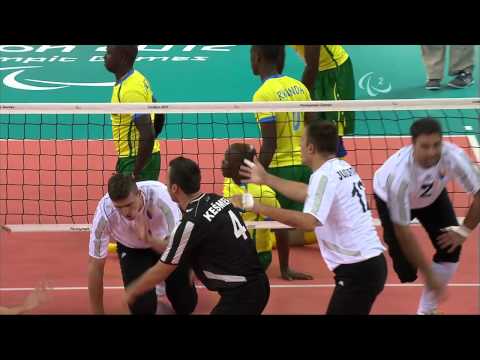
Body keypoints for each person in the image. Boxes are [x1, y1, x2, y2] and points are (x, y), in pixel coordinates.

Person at [236, 121, 387, 315]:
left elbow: (308, 222)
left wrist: (256, 206)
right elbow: (308, 192)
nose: (299, 146)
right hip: (368, 264)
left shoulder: (324, 176)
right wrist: (266, 178)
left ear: (311, 148)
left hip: (358, 270)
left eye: (301, 141)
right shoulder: (342, 168)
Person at [124, 157, 270, 315]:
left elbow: (162, 269)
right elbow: (187, 245)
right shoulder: (219, 200)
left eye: (167, 183)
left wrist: (132, 291)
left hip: (243, 294)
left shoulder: (191, 223)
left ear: (174, 188)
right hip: (256, 284)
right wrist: (150, 240)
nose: (165, 186)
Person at [373, 117, 480, 314]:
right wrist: (429, 275)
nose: (432, 152)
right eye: (425, 146)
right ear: (413, 145)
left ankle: (426, 311)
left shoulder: (454, 156)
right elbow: (404, 233)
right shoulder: (399, 177)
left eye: (436, 145)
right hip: (389, 200)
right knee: (407, 272)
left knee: (451, 248)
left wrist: (464, 230)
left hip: (432, 198)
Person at [88, 173, 197, 315]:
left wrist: (148, 239)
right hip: (132, 248)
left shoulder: (162, 197)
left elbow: (175, 249)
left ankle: (165, 284)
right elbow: (95, 265)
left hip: (166, 244)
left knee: (186, 305)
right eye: (119, 207)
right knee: (142, 309)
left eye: (129, 204)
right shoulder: (105, 213)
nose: (125, 212)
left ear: (139, 194)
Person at [250, 45, 313, 280]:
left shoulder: (263, 95)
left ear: (256, 57)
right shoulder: (299, 87)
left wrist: (256, 171)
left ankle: (284, 267)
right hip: (305, 167)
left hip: (280, 167)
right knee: (299, 220)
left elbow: (270, 144)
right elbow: (312, 126)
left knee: (278, 220)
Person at [104, 45, 164, 181]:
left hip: (137, 160)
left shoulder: (131, 89)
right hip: (138, 157)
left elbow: (147, 135)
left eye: (108, 53)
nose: (104, 56)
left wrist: (135, 171)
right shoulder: (135, 78)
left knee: (129, 202)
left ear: (122, 58)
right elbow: (158, 108)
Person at [222, 143, 280, 271]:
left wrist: (285, 268)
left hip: (256, 256)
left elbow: (282, 229)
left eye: (227, 161)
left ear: (242, 168)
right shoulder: (229, 179)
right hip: (233, 249)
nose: (222, 163)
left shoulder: (263, 193)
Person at [291, 45, 355, 158]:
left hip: (336, 70)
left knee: (332, 127)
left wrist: (300, 94)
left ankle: (338, 166)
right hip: (317, 70)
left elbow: (312, 66)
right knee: (315, 121)